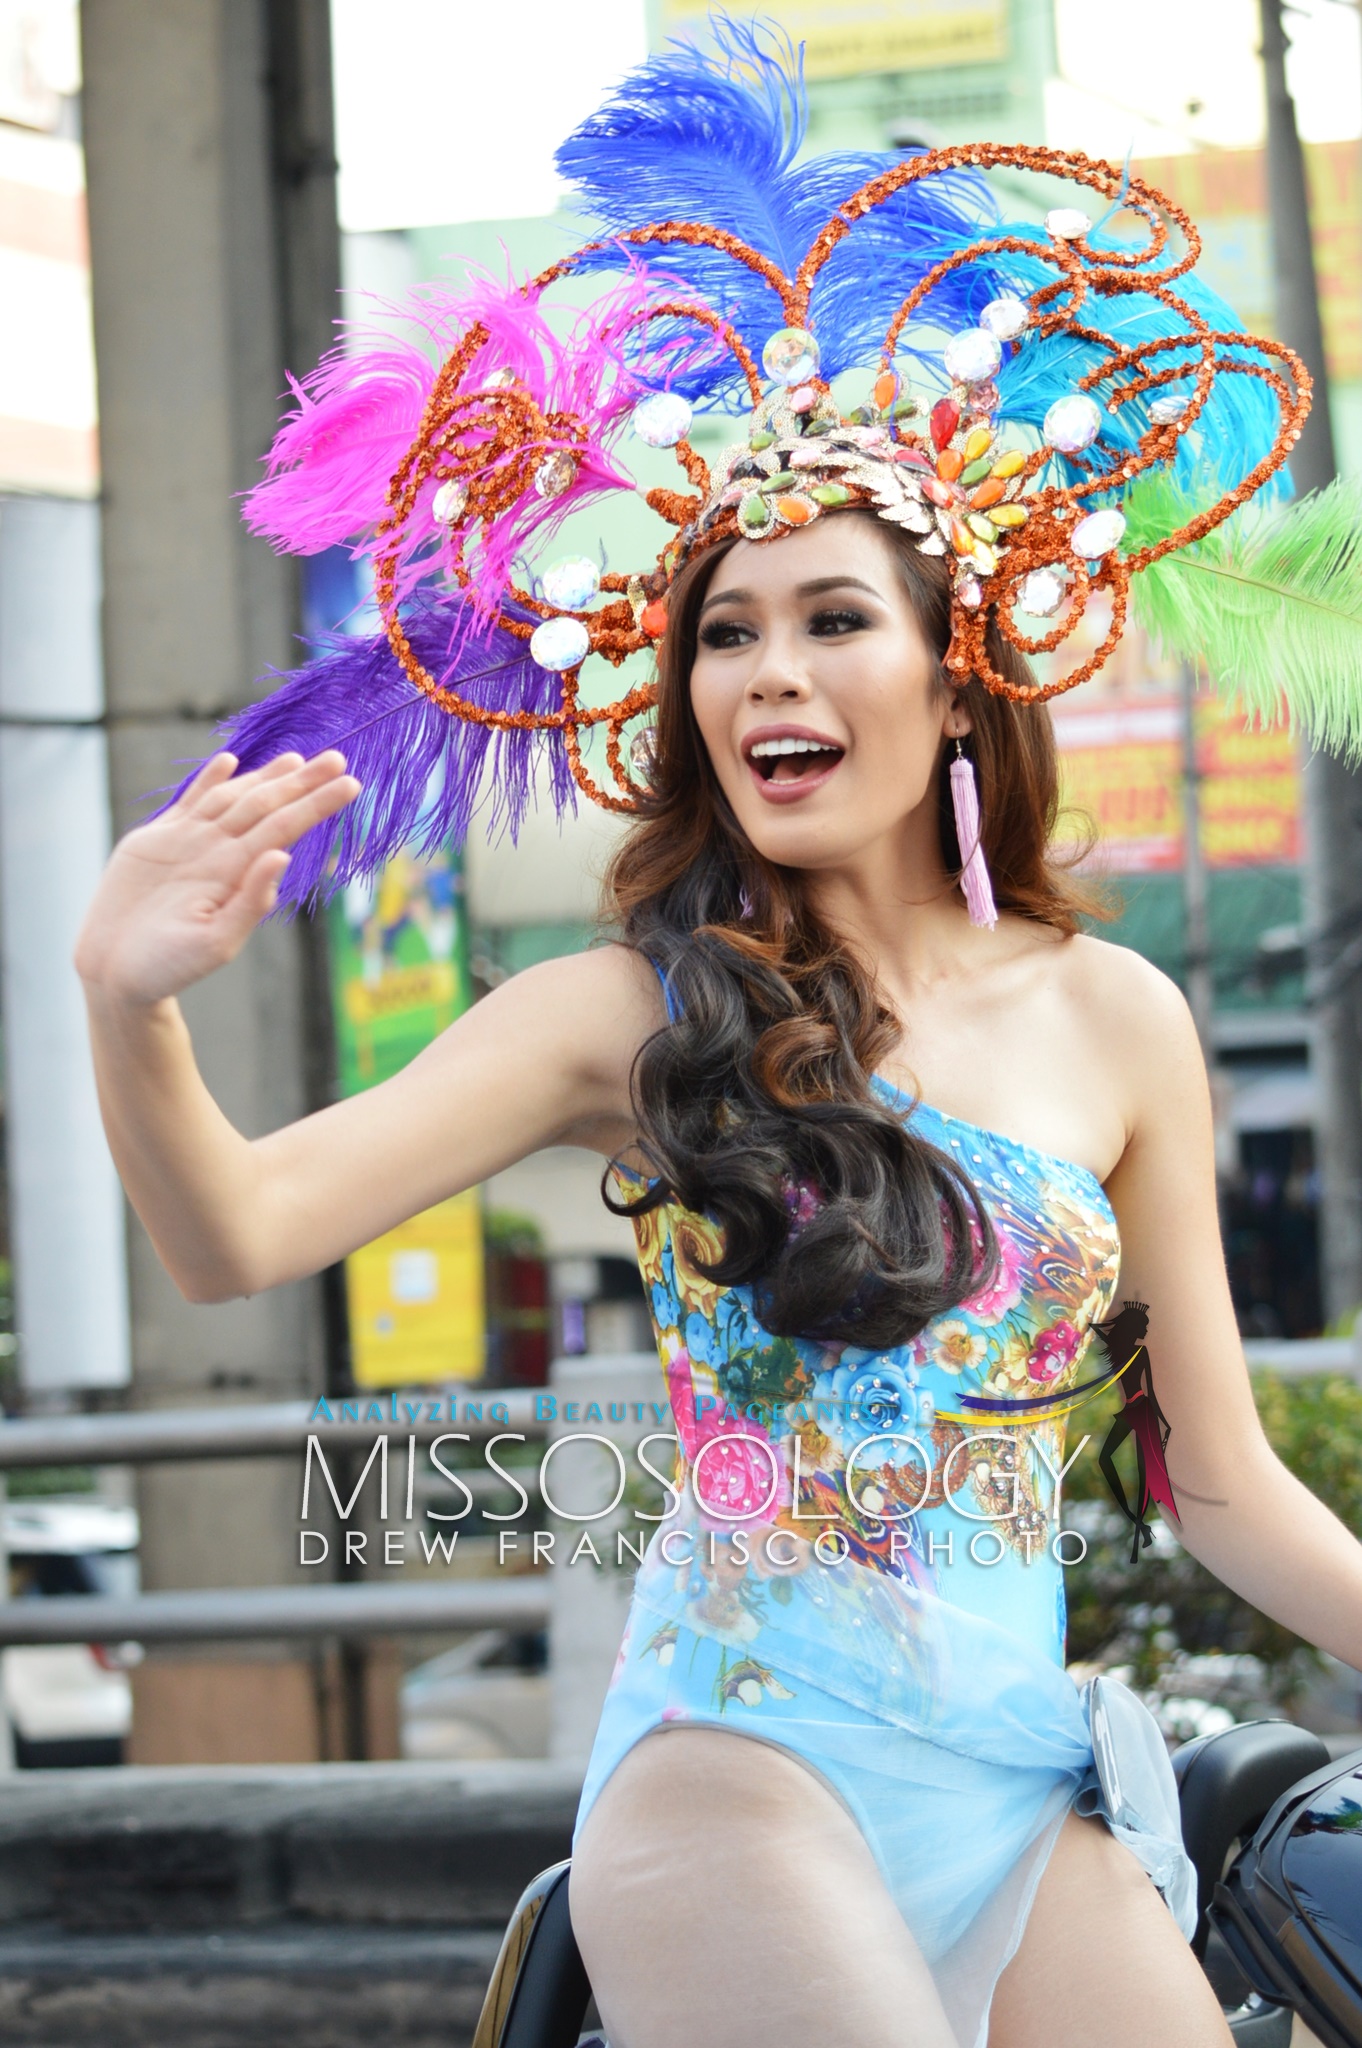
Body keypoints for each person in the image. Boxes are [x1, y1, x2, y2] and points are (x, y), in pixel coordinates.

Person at [74, 26, 1362, 2048]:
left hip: (1023, 1794)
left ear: (959, 683)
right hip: (734, 1774)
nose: (771, 671)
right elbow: (236, 1231)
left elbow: (1221, 1483)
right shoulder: (629, 1012)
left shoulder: (1123, 1016)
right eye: (725, 633)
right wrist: (127, 998)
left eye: (834, 620)